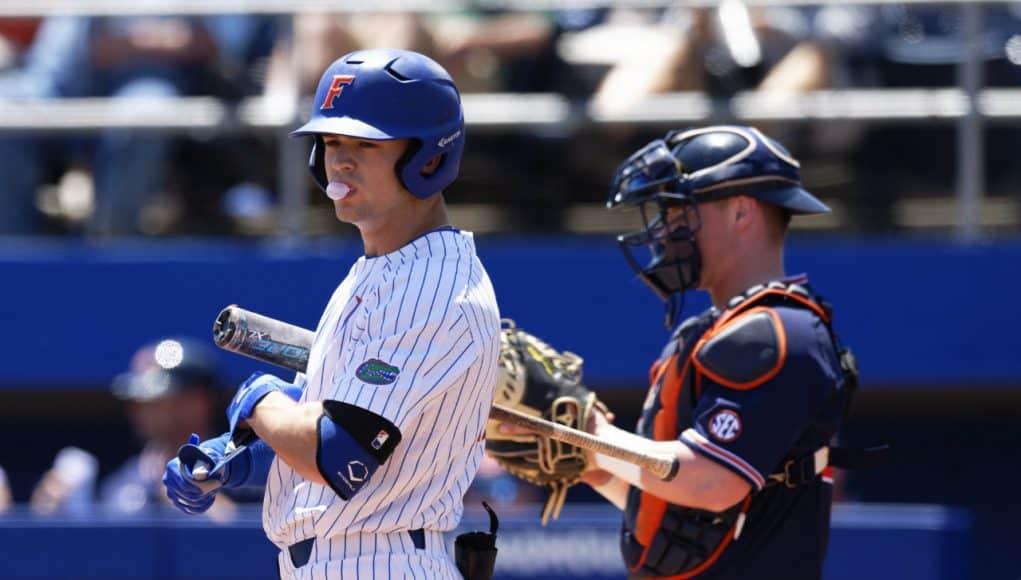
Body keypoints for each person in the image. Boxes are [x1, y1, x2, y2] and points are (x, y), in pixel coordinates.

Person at [162, 48, 502, 579]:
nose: (340, 160)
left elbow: (336, 455)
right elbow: (329, 430)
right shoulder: (383, 272)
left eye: (365, 144)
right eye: (331, 142)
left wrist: (258, 397)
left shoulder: (433, 287)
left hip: (382, 560)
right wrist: (233, 459)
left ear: (429, 158)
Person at [579, 125, 859, 578]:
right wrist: (589, 464)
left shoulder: (781, 331)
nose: (667, 228)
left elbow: (710, 482)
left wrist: (594, 437)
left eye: (680, 209)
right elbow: (679, 514)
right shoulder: (715, 329)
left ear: (741, 212)